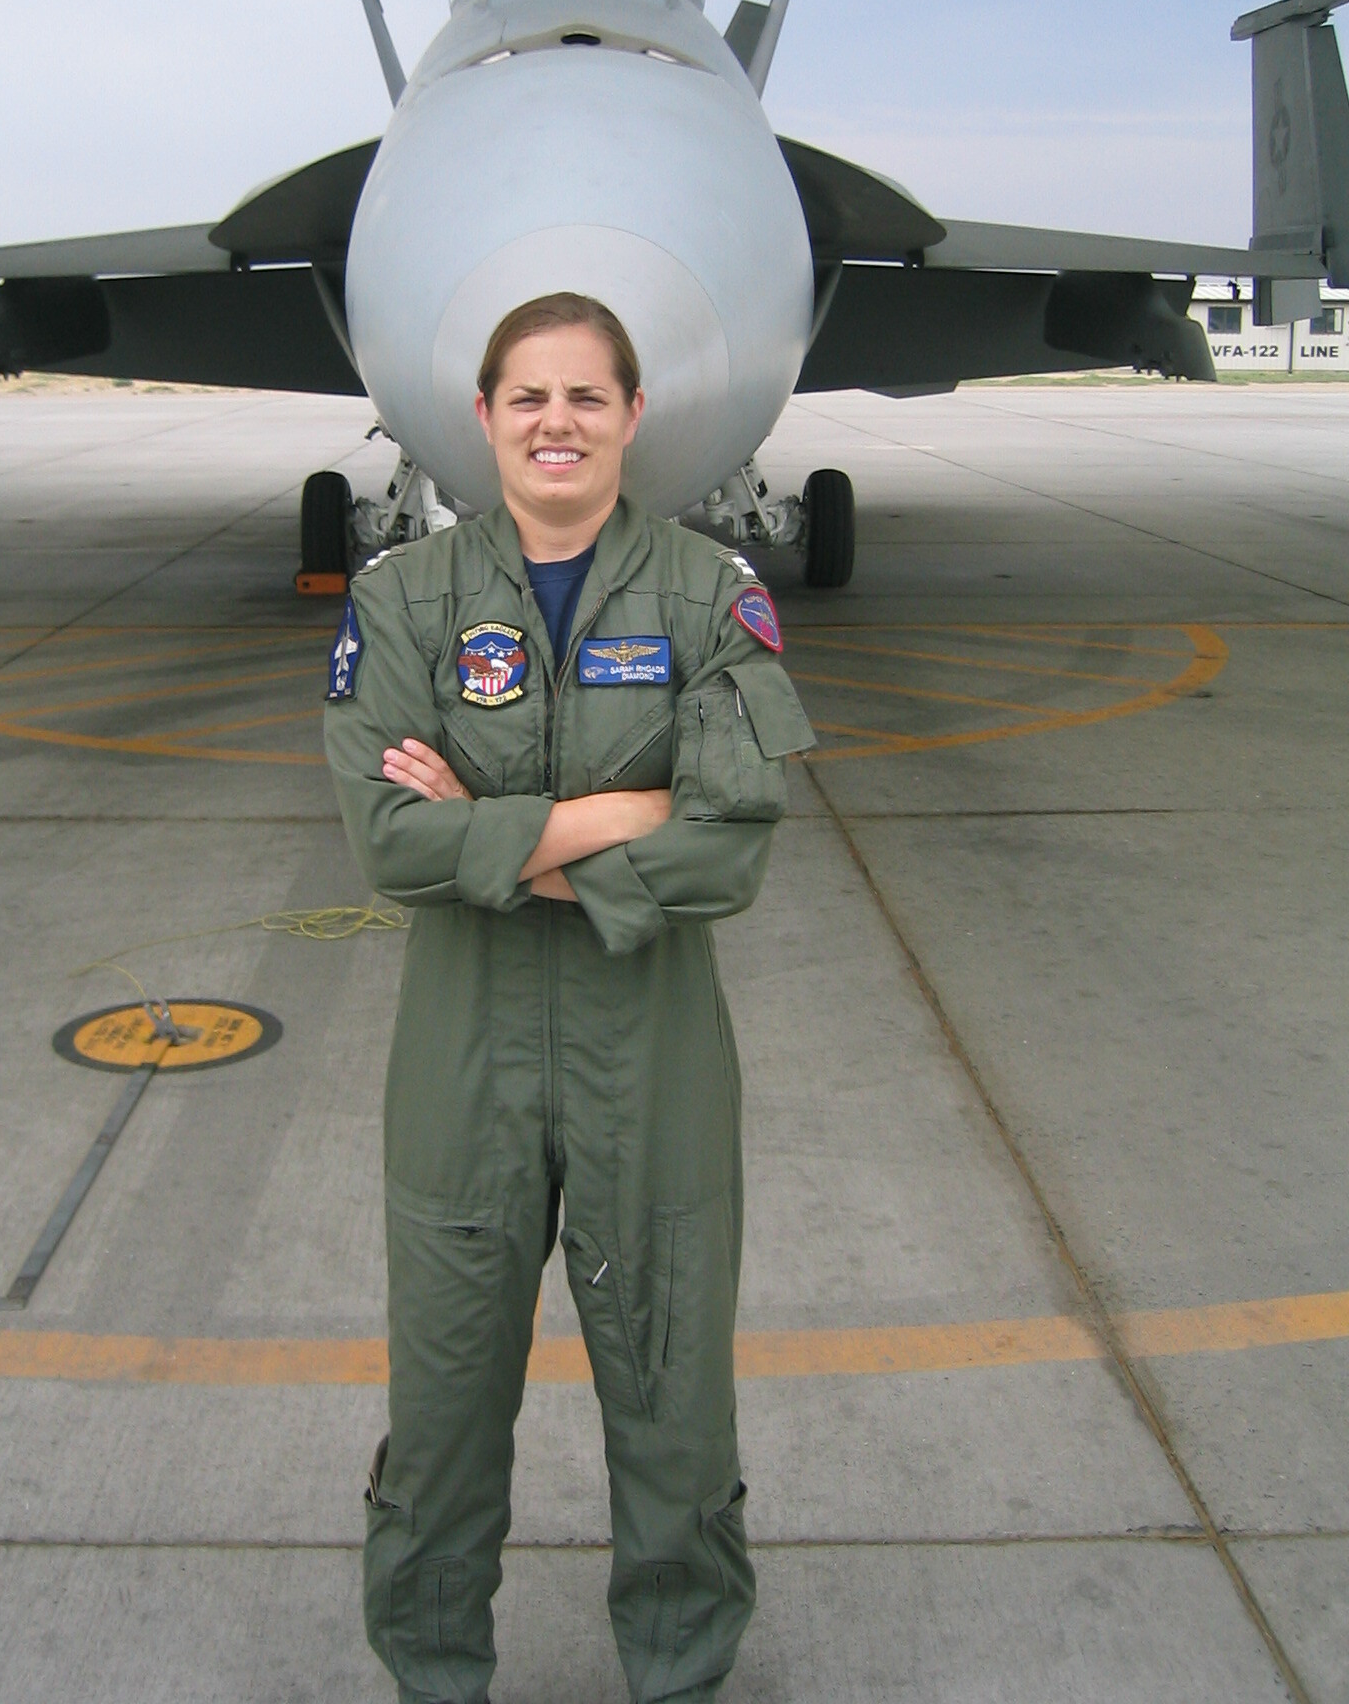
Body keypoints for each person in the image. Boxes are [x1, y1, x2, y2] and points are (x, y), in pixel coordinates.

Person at [323, 292, 813, 1704]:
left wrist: (500, 831)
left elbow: (730, 844)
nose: (556, 423)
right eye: (527, 398)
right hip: (459, 1068)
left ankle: (680, 1671)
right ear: (482, 419)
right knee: (443, 1415)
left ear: (630, 416)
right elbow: (388, 840)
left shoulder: (711, 597)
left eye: (585, 397)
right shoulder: (399, 600)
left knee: (673, 1411)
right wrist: (620, 811)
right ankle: (433, 1673)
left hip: (648, 1061)